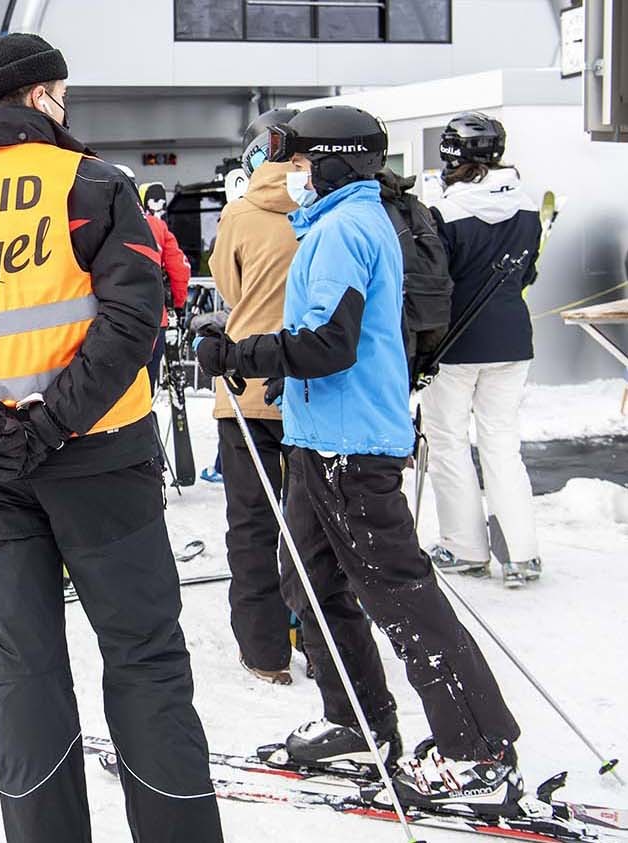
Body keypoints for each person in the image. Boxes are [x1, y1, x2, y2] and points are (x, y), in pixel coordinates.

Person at [0, 32, 222, 842]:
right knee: (144, 659)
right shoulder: (94, 185)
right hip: (99, 452)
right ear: (37, 97)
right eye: (60, 93)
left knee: (26, 669)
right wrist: (54, 421)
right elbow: (135, 318)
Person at [195, 105, 524, 813]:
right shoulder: (332, 223)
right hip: (321, 434)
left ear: (339, 161)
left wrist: (242, 354)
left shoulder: (344, 227)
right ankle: (358, 721)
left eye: (304, 162)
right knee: (309, 579)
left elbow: (331, 343)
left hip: (354, 448)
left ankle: (481, 752)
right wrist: (288, 370)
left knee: (398, 593)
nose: (296, 176)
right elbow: (333, 336)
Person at [423, 112, 544, 586]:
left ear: (451, 155)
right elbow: (528, 272)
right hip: (513, 339)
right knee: (502, 444)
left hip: (455, 344)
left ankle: (465, 547)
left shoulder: (445, 213)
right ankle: (521, 553)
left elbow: (434, 284)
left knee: (449, 442)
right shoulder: (528, 205)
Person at [207, 106, 301, 685]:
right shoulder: (333, 207)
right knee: (313, 523)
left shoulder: (240, 214)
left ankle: (265, 651)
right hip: (317, 388)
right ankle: (320, 634)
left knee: (251, 523)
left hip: (246, 390)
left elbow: (229, 287)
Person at [138, 181, 191, 391]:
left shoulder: (102, 222)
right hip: (152, 317)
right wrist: (178, 305)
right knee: (144, 390)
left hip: (106, 319)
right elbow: (179, 269)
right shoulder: (158, 227)